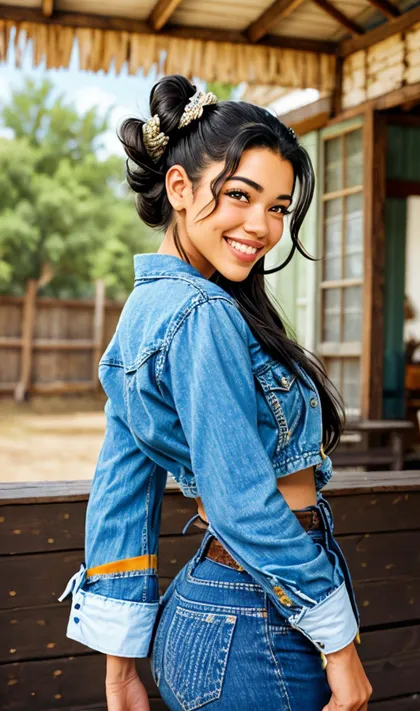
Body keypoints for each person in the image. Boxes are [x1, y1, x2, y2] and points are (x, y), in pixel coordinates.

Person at [58, 74, 372, 711]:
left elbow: (121, 487)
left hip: (214, 621)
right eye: (240, 196)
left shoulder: (148, 313)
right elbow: (241, 505)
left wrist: (120, 667)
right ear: (180, 188)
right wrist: (341, 644)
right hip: (254, 628)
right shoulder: (202, 314)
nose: (263, 226)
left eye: (279, 208)